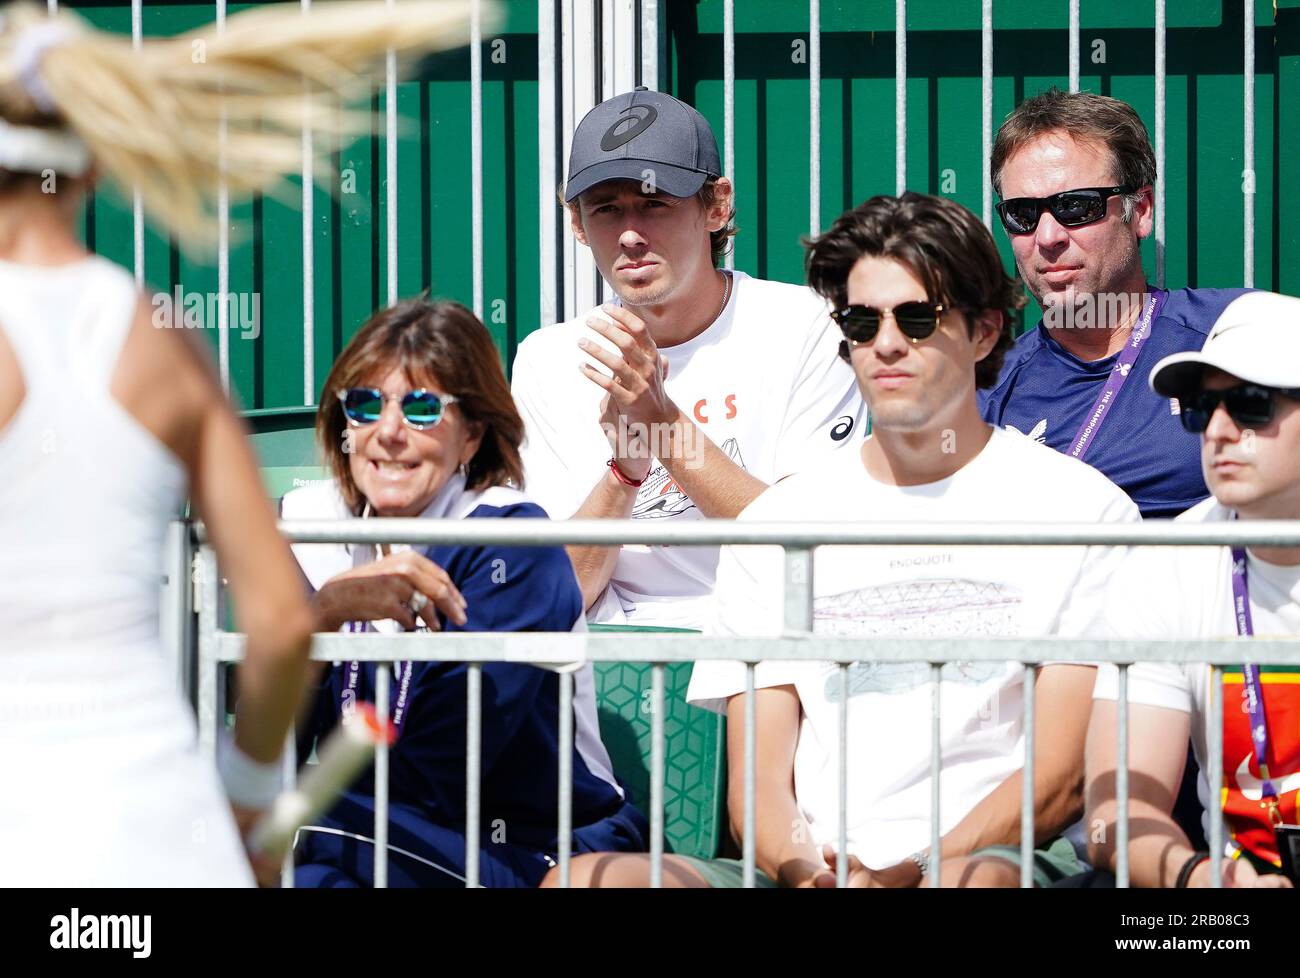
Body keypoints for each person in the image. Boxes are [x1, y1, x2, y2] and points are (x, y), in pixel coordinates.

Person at [0, 0, 470, 886]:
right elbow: (285, 624)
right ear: (96, 160)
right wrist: (252, 803)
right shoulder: (164, 346)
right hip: (163, 831)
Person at [558, 192, 1139, 888]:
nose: (886, 343)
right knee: (587, 881)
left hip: (989, 865)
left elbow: (1060, 779)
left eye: (918, 318)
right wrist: (808, 874)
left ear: (985, 333)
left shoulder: (1080, 510)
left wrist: (913, 869)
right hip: (814, 871)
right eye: (862, 324)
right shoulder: (782, 523)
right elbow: (757, 785)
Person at [282, 300, 647, 888]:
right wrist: (317, 618)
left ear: (472, 433)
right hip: (371, 835)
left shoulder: (513, 545)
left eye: (423, 408)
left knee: (290, 834)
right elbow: (272, 745)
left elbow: (444, 766)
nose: (389, 433)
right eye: (365, 405)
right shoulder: (317, 538)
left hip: (537, 845)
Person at [511, 87, 865, 631]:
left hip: (764, 653)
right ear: (578, 224)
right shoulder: (548, 359)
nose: (630, 234)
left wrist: (662, 426)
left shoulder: (810, 327)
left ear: (717, 205)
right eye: (606, 209)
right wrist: (625, 471)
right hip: (611, 663)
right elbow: (557, 595)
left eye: (656, 204)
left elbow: (803, 557)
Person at [1085, 291, 1300, 888]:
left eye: (1251, 404)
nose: (1220, 431)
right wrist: (1200, 880)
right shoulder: (1169, 562)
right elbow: (1113, 815)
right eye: (1203, 407)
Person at [981, 88, 1248, 519]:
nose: (1047, 237)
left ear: (1140, 210)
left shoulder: (1233, 333)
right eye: (1022, 214)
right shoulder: (987, 388)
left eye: (1076, 207)